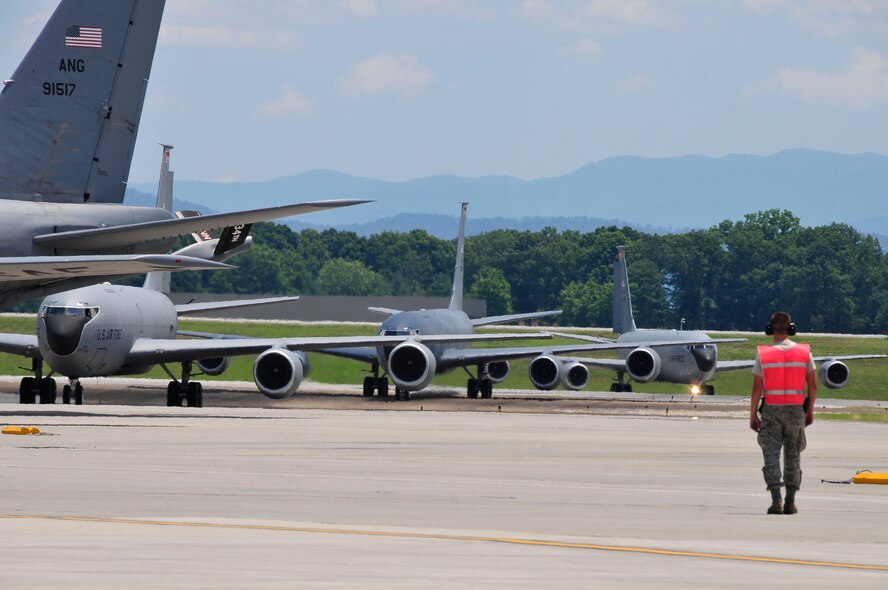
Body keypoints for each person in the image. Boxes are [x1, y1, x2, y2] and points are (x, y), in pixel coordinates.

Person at [749, 311, 816, 515]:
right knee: (793, 455)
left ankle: (776, 500)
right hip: (796, 410)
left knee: (770, 454)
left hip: (771, 410)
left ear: (770, 329)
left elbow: (756, 389)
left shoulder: (764, 354)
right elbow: (812, 386)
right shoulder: (804, 352)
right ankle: (790, 501)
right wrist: (810, 410)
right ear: (791, 329)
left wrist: (752, 415)